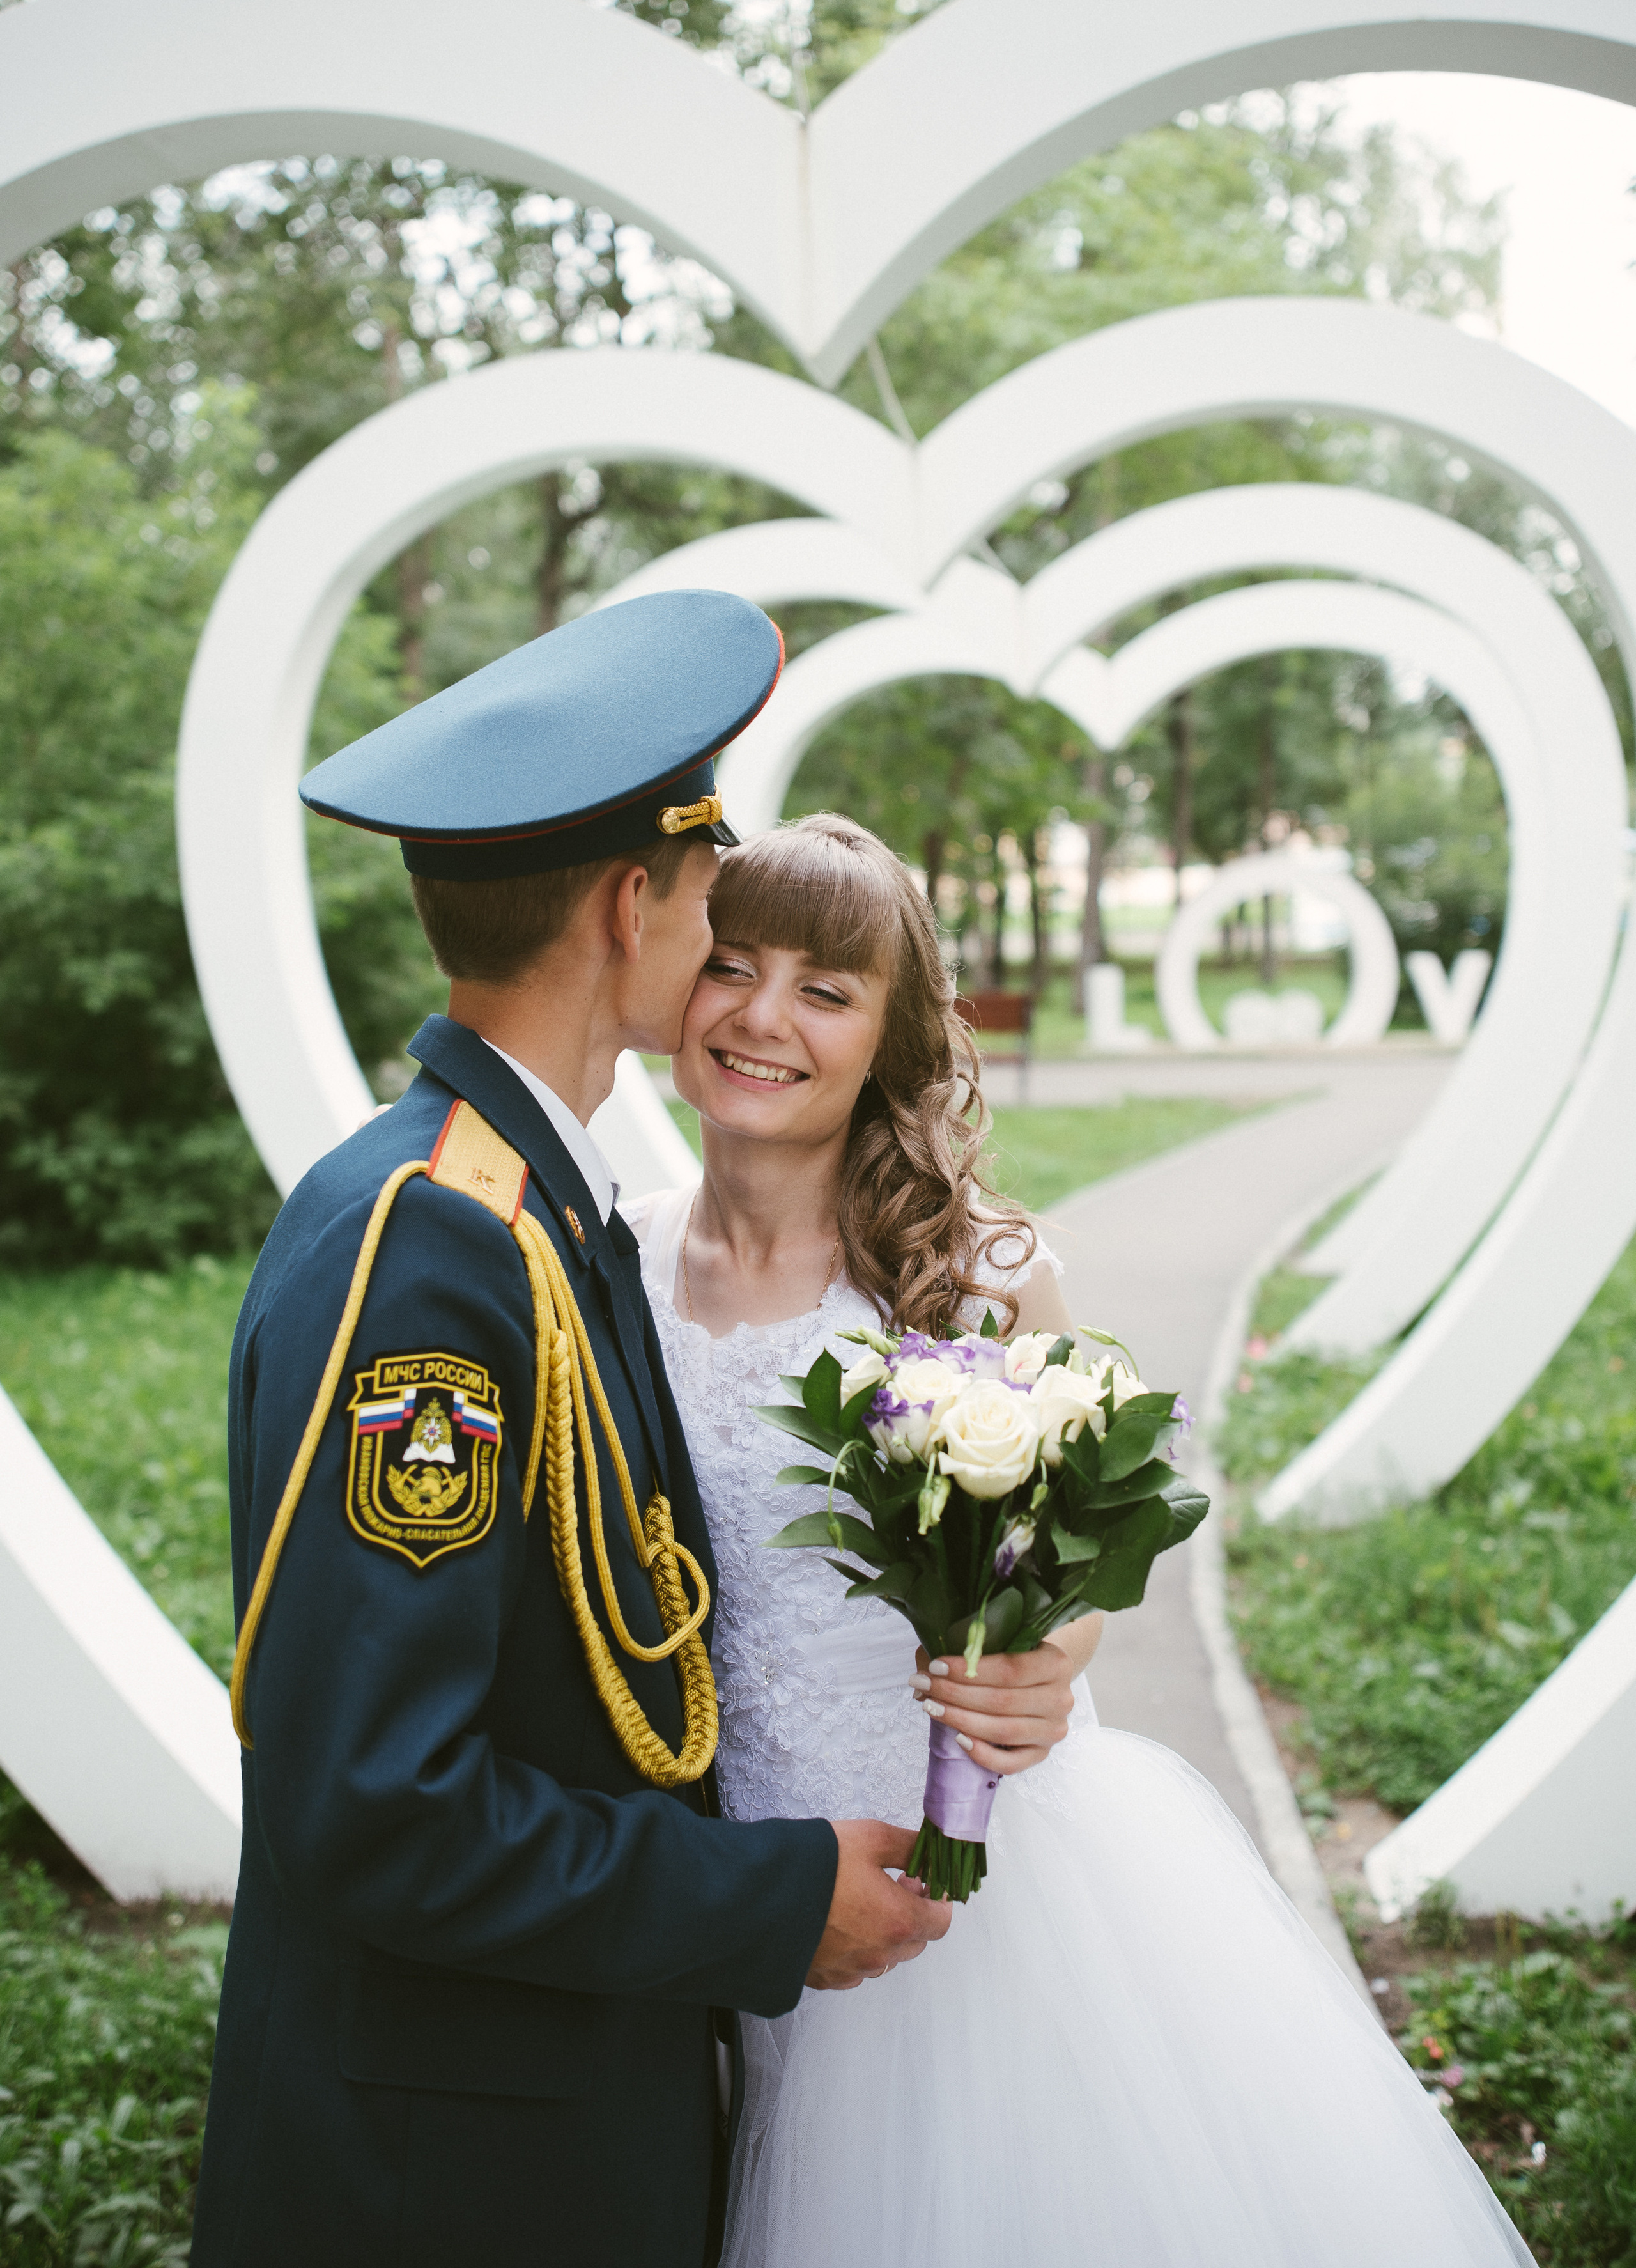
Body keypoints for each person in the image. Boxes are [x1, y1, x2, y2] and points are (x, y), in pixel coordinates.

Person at [622, 809, 1535, 2268]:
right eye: (731, 964)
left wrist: (1046, 1662)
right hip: (740, 1872)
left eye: (825, 989)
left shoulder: (974, 1276)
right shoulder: (618, 1255)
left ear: (888, 1035)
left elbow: (1078, 1544)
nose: (761, 1016)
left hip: (955, 1862)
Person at [190, 599, 950, 2268]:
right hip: (446, 2173)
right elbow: (386, 1804)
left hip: (534, 2105)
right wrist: (771, 1900)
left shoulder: (523, 1207)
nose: (716, 938)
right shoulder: (437, 1256)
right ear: (635, 903)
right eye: (707, 894)